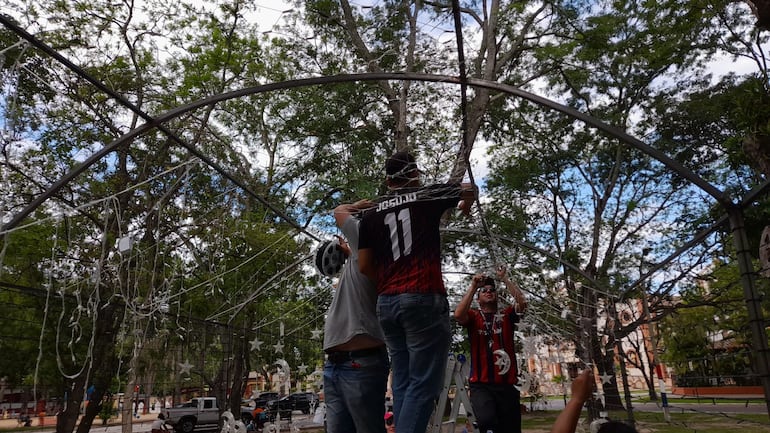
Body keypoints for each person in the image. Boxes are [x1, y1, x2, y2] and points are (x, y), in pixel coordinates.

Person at [358, 150, 477, 433]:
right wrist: (466, 207)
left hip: (387, 303)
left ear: (388, 183)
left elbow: (364, 266)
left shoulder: (371, 213)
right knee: (423, 384)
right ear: (414, 174)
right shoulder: (428, 196)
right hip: (423, 296)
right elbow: (470, 188)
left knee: (402, 381)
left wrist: (388, 284)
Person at [323, 200, 390, 433]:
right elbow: (356, 255)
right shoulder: (362, 263)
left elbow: (339, 211)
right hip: (337, 365)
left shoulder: (371, 258)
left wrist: (357, 206)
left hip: (361, 363)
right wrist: (348, 250)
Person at [454, 265, 528, 433]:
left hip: (507, 384)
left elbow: (522, 303)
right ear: (478, 299)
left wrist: (505, 279)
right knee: (486, 422)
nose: (488, 291)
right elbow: (458, 315)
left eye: (492, 290)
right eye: (484, 290)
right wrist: (473, 287)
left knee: (510, 429)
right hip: (481, 385)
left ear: (496, 295)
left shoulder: (507, 314)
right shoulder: (473, 316)